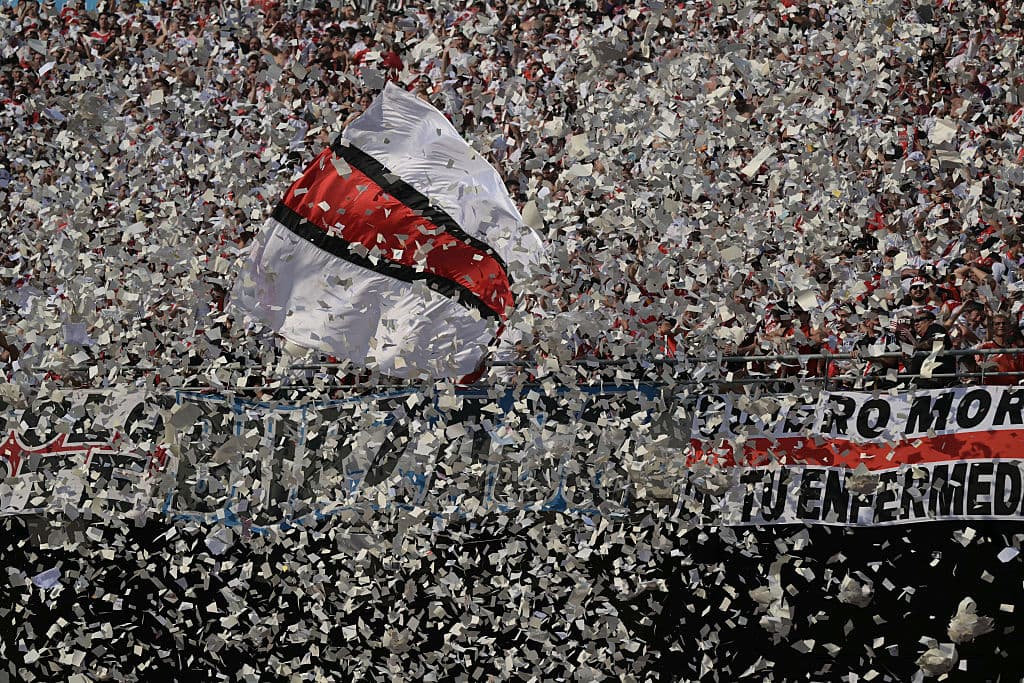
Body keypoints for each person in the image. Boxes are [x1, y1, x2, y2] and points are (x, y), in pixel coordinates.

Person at [900, 309, 956, 388]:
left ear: (931, 321)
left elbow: (938, 341)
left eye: (919, 320)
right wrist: (906, 359)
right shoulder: (922, 339)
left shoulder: (935, 327)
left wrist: (916, 346)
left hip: (939, 380)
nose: (916, 324)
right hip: (922, 379)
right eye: (914, 322)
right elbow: (912, 368)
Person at [972, 312, 1024, 385]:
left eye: (1004, 323)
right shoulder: (983, 347)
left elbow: (1021, 372)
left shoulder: (1016, 349)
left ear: (1009, 327)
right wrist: (988, 366)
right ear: (992, 327)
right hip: (991, 390)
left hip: (1012, 391)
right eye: (997, 324)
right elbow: (977, 366)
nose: (1001, 326)